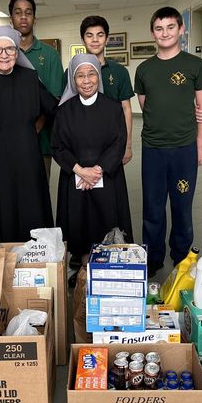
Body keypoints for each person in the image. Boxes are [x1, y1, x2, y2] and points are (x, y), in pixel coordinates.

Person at [134, 6, 202, 277]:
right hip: (153, 148)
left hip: (184, 148)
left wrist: (200, 145)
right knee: (152, 206)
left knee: (181, 206)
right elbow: (147, 107)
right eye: (158, 28)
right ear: (153, 33)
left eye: (170, 27)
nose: (164, 33)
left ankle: (181, 256)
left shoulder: (195, 65)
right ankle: (153, 257)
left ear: (181, 30)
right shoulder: (144, 70)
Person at [0, 25, 56, 242]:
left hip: (27, 158)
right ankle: (0, 268)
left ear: (17, 52)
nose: (4, 55)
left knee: (30, 211)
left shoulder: (30, 78)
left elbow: (54, 109)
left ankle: (33, 267)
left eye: (10, 49)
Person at [53, 54, 133, 260]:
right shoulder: (63, 111)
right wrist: (80, 171)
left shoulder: (113, 108)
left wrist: (97, 171)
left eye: (91, 74)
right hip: (74, 176)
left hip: (106, 176)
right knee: (79, 224)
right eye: (80, 76)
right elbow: (58, 147)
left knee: (106, 221)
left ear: (99, 76)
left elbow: (119, 142)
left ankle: (107, 267)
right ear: (73, 79)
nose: (86, 81)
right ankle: (82, 268)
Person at [61, 15, 134, 165]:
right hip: (80, 145)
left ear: (106, 39)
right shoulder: (71, 73)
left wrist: (127, 144)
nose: (95, 40)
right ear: (83, 40)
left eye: (100, 35)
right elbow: (65, 111)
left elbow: (126, 109)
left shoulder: (119, 71)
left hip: (112, 143)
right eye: (89, 35)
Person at [9, 0, 63, 180]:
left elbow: (55, 98)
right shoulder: (2, 53)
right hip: (7, 144)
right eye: (18, 12)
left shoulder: (49, 55)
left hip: (40, 143)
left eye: (28, 12)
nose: (23, 17)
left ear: (34, 18)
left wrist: (32, 132)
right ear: (11, 18)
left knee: (39, 198)